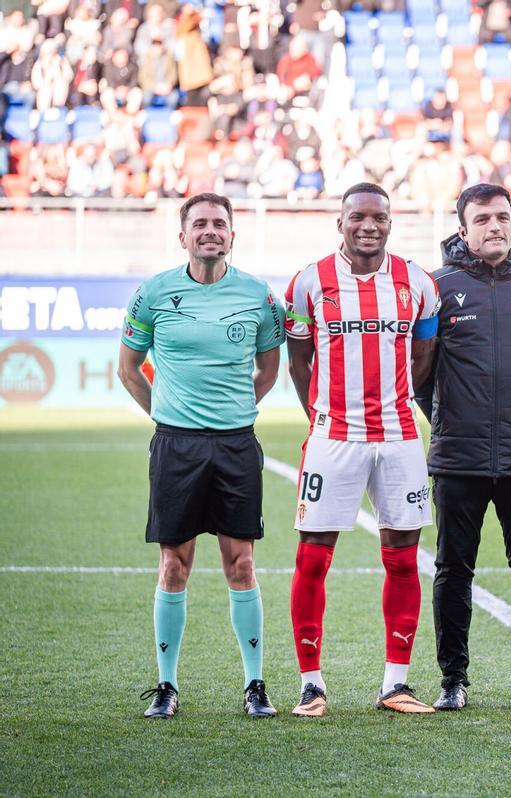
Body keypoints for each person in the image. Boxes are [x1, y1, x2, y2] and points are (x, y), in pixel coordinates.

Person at [117, 192, 285, 719]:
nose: (211, 231)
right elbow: (129, 369)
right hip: (176, 446)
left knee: (241, 563)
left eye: (220, 224)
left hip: (236, 445)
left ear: (232, 235)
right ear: (182, 235)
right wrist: (168, 415)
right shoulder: (153, 294)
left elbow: (268, 370)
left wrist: (231, 411)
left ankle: (255, 685)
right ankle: (167, 686)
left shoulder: (259, 296)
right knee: (174, 565)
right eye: (201, 224)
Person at [283, 182, 440, 717]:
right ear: (341, 222)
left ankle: (395, 683)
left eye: (378, 218)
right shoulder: (309, 282)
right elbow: (298, 361)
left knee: (402, 556)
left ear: (390, 223)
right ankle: (311, 685)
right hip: (334, 437)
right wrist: (325, 417)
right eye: (358, 217)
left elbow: (423, 358)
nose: (368, 226)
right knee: (312, 557)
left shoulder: (417, 282)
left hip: (399, 437)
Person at [414, 183, 511, 712]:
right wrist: (453, 417)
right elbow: (422, 376)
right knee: (454, 569)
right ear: (464, 229)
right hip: (459, 456)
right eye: (482, 219)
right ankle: (453, 680)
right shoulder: (437, 287)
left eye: (502, 216)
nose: (494, 226)